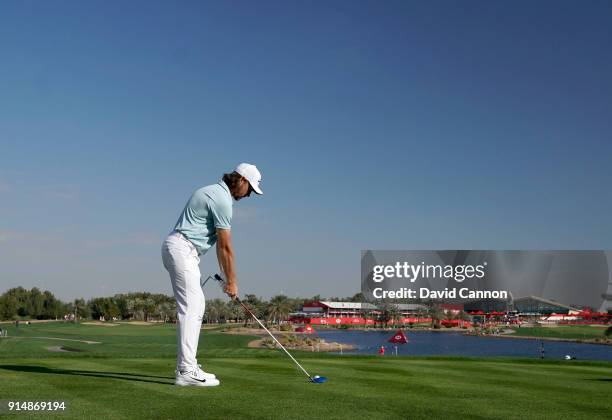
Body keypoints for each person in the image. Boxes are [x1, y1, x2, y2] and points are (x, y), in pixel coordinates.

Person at [162, 163, 262, 387]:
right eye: (251, 190)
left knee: (195, 305)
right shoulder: (222, 200)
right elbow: (226, 248)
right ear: (242, 181)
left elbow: (219, 248)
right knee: (193, 306)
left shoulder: (213, 191)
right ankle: (186, 370)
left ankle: (188, 366)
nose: (249, 196)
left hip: (183, 250)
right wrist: (233, 282)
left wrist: (226, 278)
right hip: (182, 249)